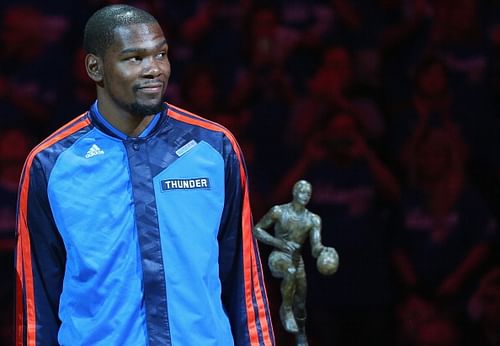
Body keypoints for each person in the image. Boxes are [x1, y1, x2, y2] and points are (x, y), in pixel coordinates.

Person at [15, 4, 274, 346]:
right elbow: (36, 303)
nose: (154, 69)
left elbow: (245, 279)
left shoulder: (212, 148)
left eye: (161, 54)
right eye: (134, 58)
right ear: (95, 68)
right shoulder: (51, 163)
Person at [253, 180, 336, 346]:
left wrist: (323, 251)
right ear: (294, 192)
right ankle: (286, 310)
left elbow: (315, 246)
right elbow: (257, 230)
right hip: (278, 257)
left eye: (308, 193)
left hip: (297, 261)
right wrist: (279, 243)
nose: (305, 196)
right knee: (289, 272)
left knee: (300, 301)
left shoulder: (313, 220)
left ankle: (300, 334)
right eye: (302, 192)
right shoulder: (279, 211)